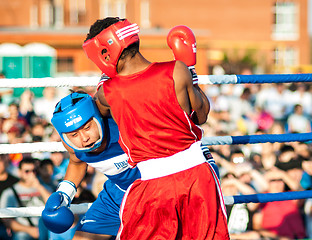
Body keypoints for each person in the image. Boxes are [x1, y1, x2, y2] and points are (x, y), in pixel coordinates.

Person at [83, 18, 229, 239]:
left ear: (105, 51)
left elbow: (101, 114)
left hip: (152, 184)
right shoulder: (177, 71)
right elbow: (201, 115)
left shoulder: (107, 93)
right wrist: (191, 73)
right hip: (197, 176)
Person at [41, 92, 141, 239]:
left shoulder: (123, 126)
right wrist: (64, 193)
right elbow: (77, 162)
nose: (84, 138)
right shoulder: (73, 146)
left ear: (98, 117)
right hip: (116, 194)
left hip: (153, 191)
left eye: (87, 127)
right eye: (74, 135)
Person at [0, 157, 51, 240]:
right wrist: (30, 230)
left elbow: (54, 205)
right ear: (19, 172)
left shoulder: (44, 188)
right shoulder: (10, 192)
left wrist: (39, 187)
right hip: (24, 231)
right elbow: (6, 220)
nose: (32, 174)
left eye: (34, 171)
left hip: (47, 229)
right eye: (27, 171)